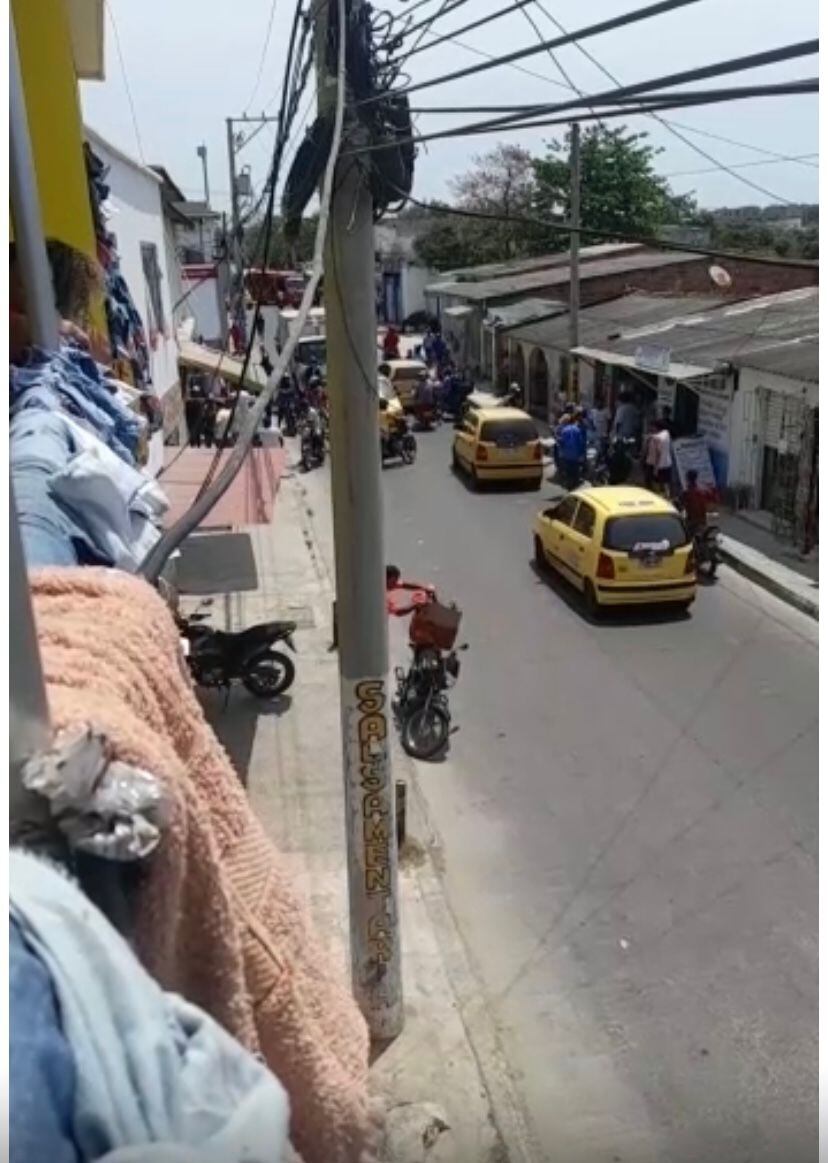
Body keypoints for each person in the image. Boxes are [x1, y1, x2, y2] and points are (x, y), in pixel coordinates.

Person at [555, 412, 586, 490]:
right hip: (576, 455)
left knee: (568, 472)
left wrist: (558, 441)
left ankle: (569, 486)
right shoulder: (577, 430)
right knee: (575, 472)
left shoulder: (564, 430)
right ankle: (574, 486)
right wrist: (582, 453)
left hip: (567, 455)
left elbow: (562, 442)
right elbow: (581, 443)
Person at [681, 469, 708, 535]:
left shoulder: (687, 493)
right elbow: (703, 508)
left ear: (687, 480)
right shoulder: (701, 492)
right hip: (701, 522)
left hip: (692, 523)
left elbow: (682, 506)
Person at [650, 418, 673, 495]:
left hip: (660, 465)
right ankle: (668, 496)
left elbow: (658, 454)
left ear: (656, 427)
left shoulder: (656, 438)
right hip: (668, 463)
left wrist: (655, 469)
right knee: (666, 483)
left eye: (652, 427)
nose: (651, 429)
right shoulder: (667, 433)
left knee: (658, 484)